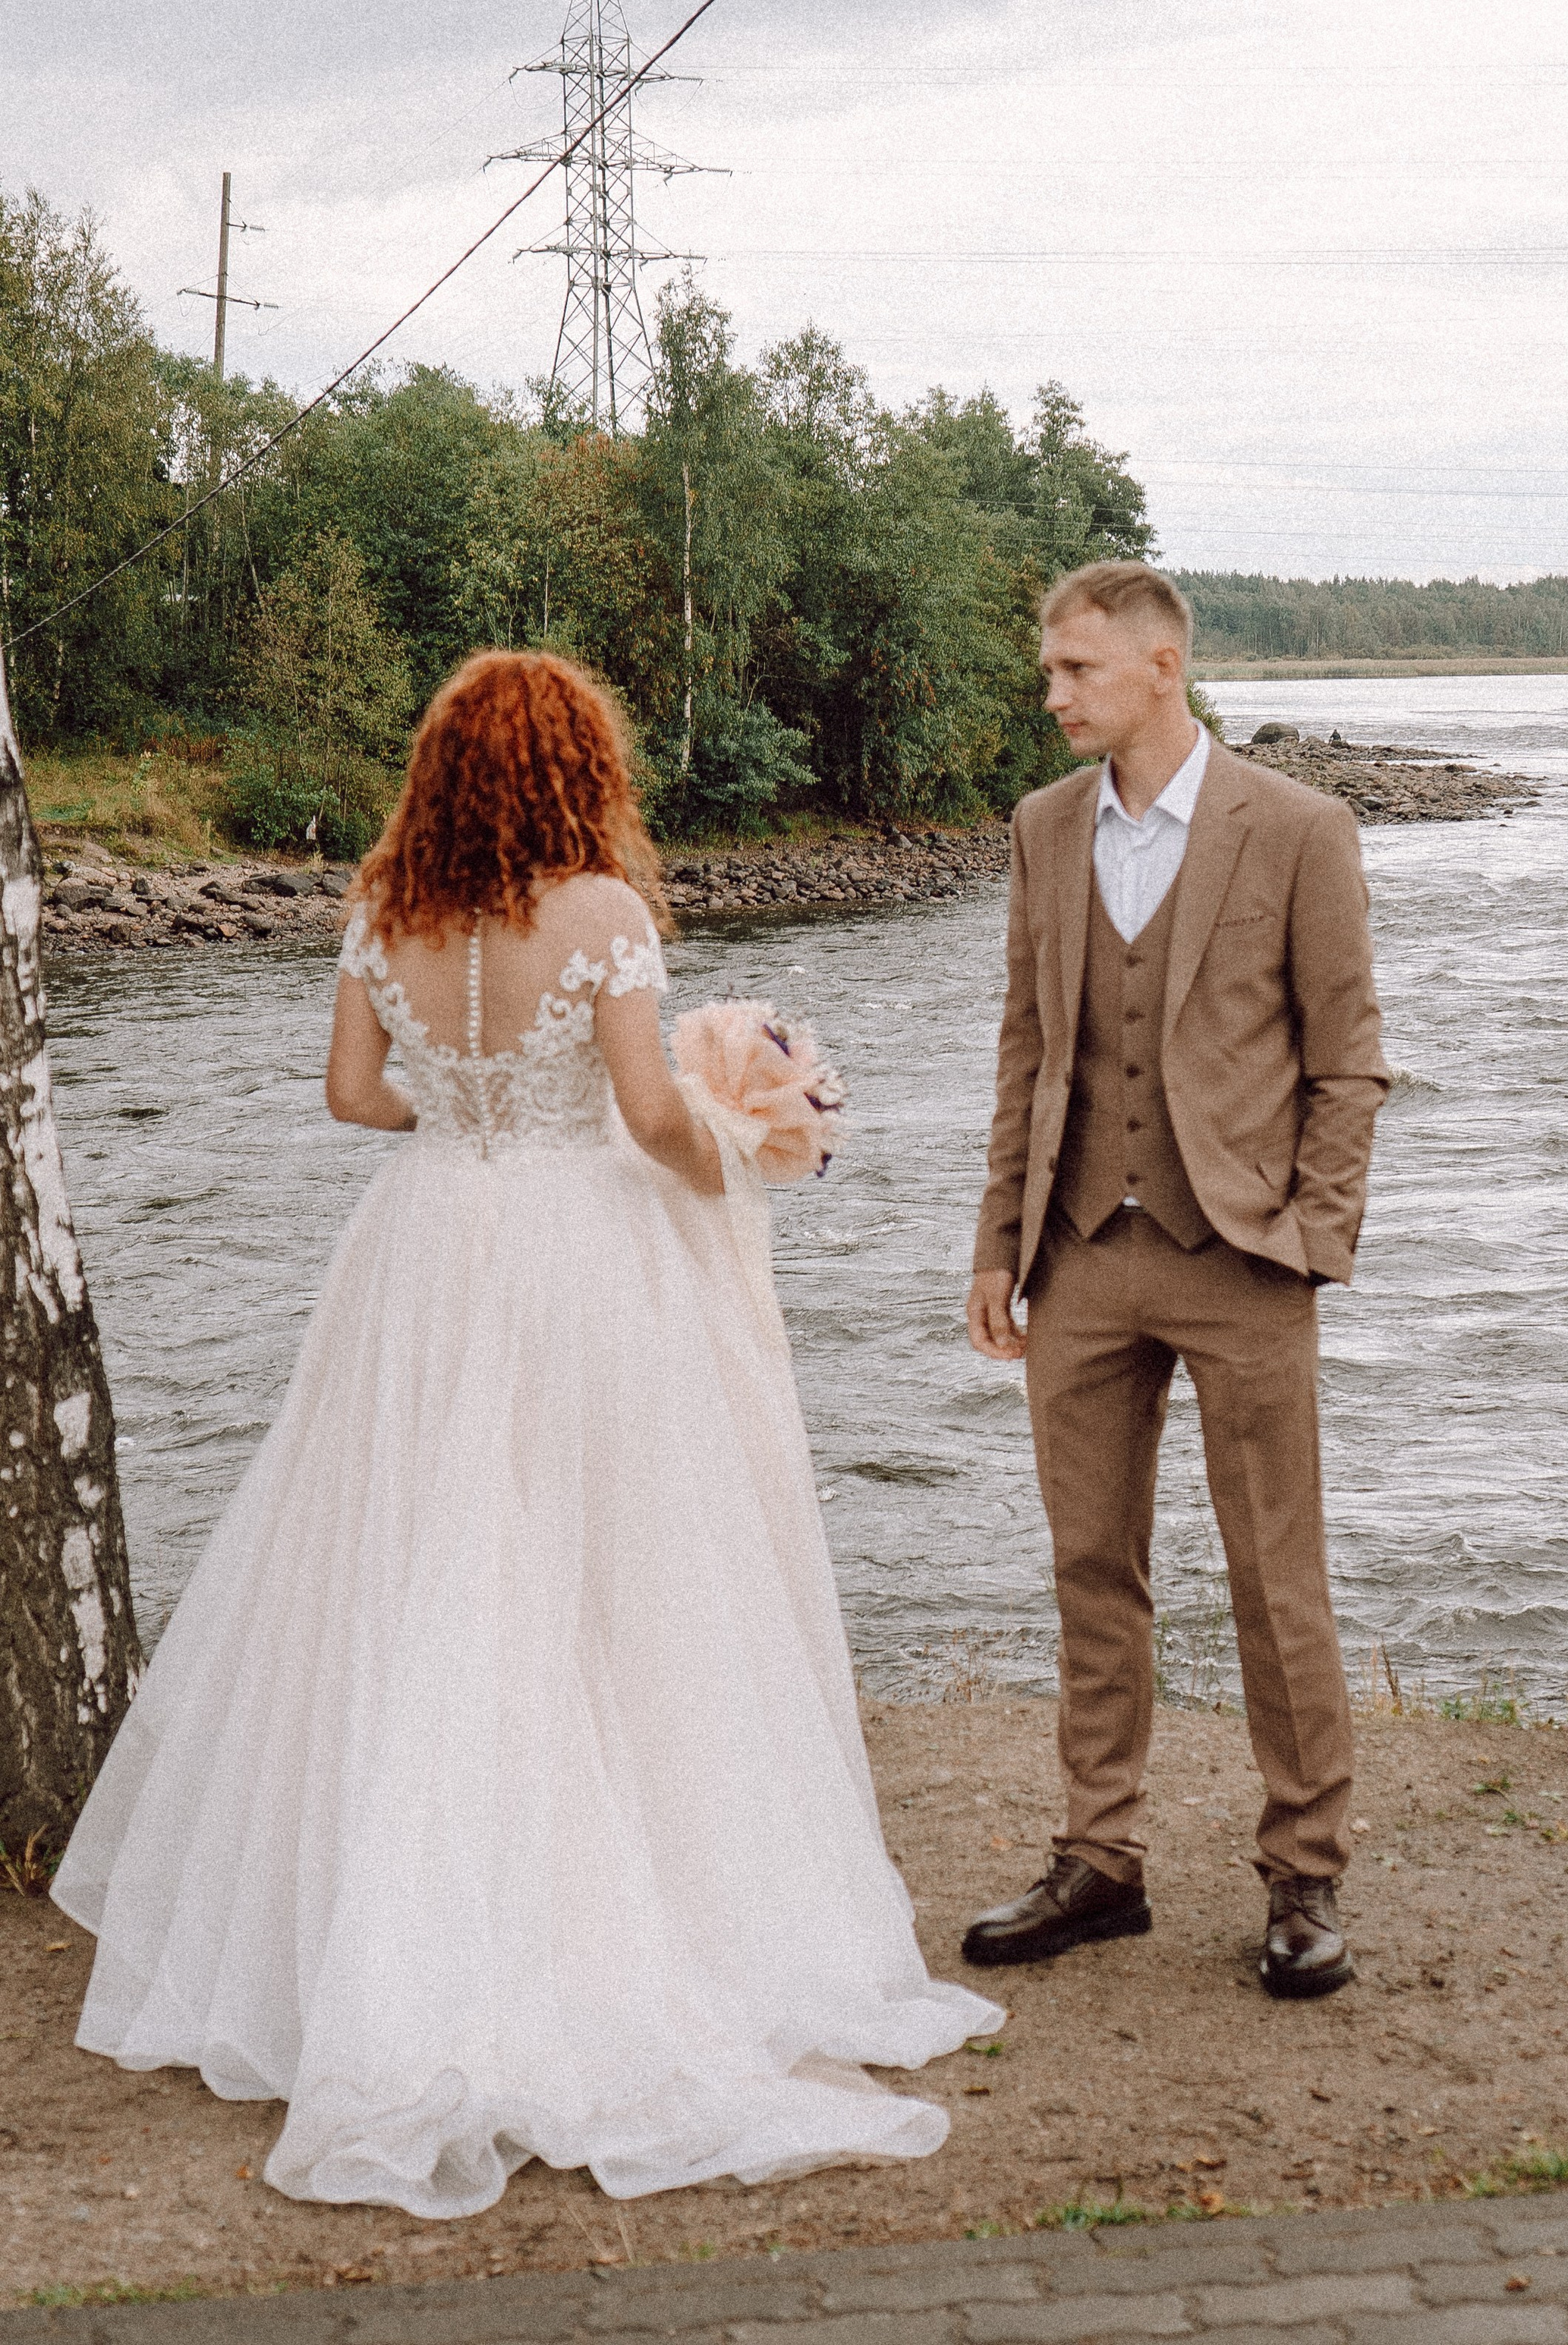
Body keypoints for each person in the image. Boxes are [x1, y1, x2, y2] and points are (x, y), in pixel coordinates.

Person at [54, 649, 1000, 2218]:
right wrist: (744, 1158)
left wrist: (472, 1118)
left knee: (412, 1558)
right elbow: (641, 1113)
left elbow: (354, 1098)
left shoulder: (379, 917)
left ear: (440, 769)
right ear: (578, 770)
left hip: (421, 1255)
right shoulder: (604, 918)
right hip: (572, 1255)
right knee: (593, 1566)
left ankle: (371, 1943)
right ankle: (605, 1930)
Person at [961, 563, 1387, 2000]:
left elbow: (1349, 1063)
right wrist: (1000, 1248)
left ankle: (1304, 1876)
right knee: (1092, 1569)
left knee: (1278, 1578)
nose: (1053, 692)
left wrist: (1313, 1237)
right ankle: (1100, 1860)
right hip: (1081, 1255)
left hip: (1245, 1257)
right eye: (1051, 668)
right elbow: (1029, 1051)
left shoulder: (1298, 828)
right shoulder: (1043, 828)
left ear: (1160, 668)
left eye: (1074, 669)